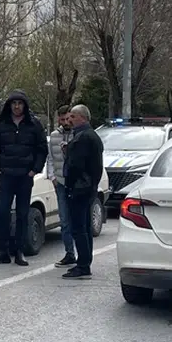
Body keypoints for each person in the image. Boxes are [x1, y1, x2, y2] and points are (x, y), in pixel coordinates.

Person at [0, 90, 48, 267]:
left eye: (20, 103)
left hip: (24, 176)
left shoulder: (34, 124)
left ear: (25, 105)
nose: (17, 106)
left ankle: (19, 251)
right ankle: (2, 251)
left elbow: (42, 149)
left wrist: (35, 169)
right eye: (14, 103)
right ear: (9, 105)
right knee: (2, 213)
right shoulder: (1, 124)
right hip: (5, 176)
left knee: (22, 214)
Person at [61, 104, 105, 280]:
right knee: (85, 227)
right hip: (88, 187)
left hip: (80, 188)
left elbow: (76, 165)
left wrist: (70, 185)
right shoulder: (90, 136)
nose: (69, 120)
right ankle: (85, 262)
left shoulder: (83, 138)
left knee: (79, 227)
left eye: (72, 117)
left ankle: (83, 265)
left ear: (82, 118)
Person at [46, 106, 76, 268]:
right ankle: (69, 253)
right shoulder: (54, 136)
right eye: (62, 119)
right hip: (60, 183)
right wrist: (52, 177)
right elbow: (50, 158)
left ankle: (83, 255)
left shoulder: (78, 135)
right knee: (64, 220)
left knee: (77, 220)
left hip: (76, 184)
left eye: (68, 119)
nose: (65, 122)